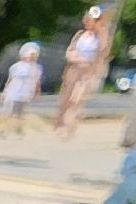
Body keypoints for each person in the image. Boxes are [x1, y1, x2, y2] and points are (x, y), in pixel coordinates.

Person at [54, 6, 108, 136]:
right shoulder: (80, 35)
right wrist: (76, 58)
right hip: (74, 69)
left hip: (87, 72)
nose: (90, 22)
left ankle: (69, 125)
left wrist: (101, 31)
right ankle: (59, 122)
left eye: (95, 20)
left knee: (77, 99)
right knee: (66, 98)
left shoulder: (99, 38)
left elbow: (103, 52)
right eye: (89, 19)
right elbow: (70, 51)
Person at [0, 42, 43, 137]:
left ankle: (18, 129)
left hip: (25, 93)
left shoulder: (37, 68)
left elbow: (37, 81)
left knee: (21, 112)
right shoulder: (16, 67)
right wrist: (5, 91)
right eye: (30, 55)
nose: (32, 58)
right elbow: (10, 79)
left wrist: (37, 92)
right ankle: (4, 129)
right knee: (9, 111)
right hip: (14, 92)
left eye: (34, 56)